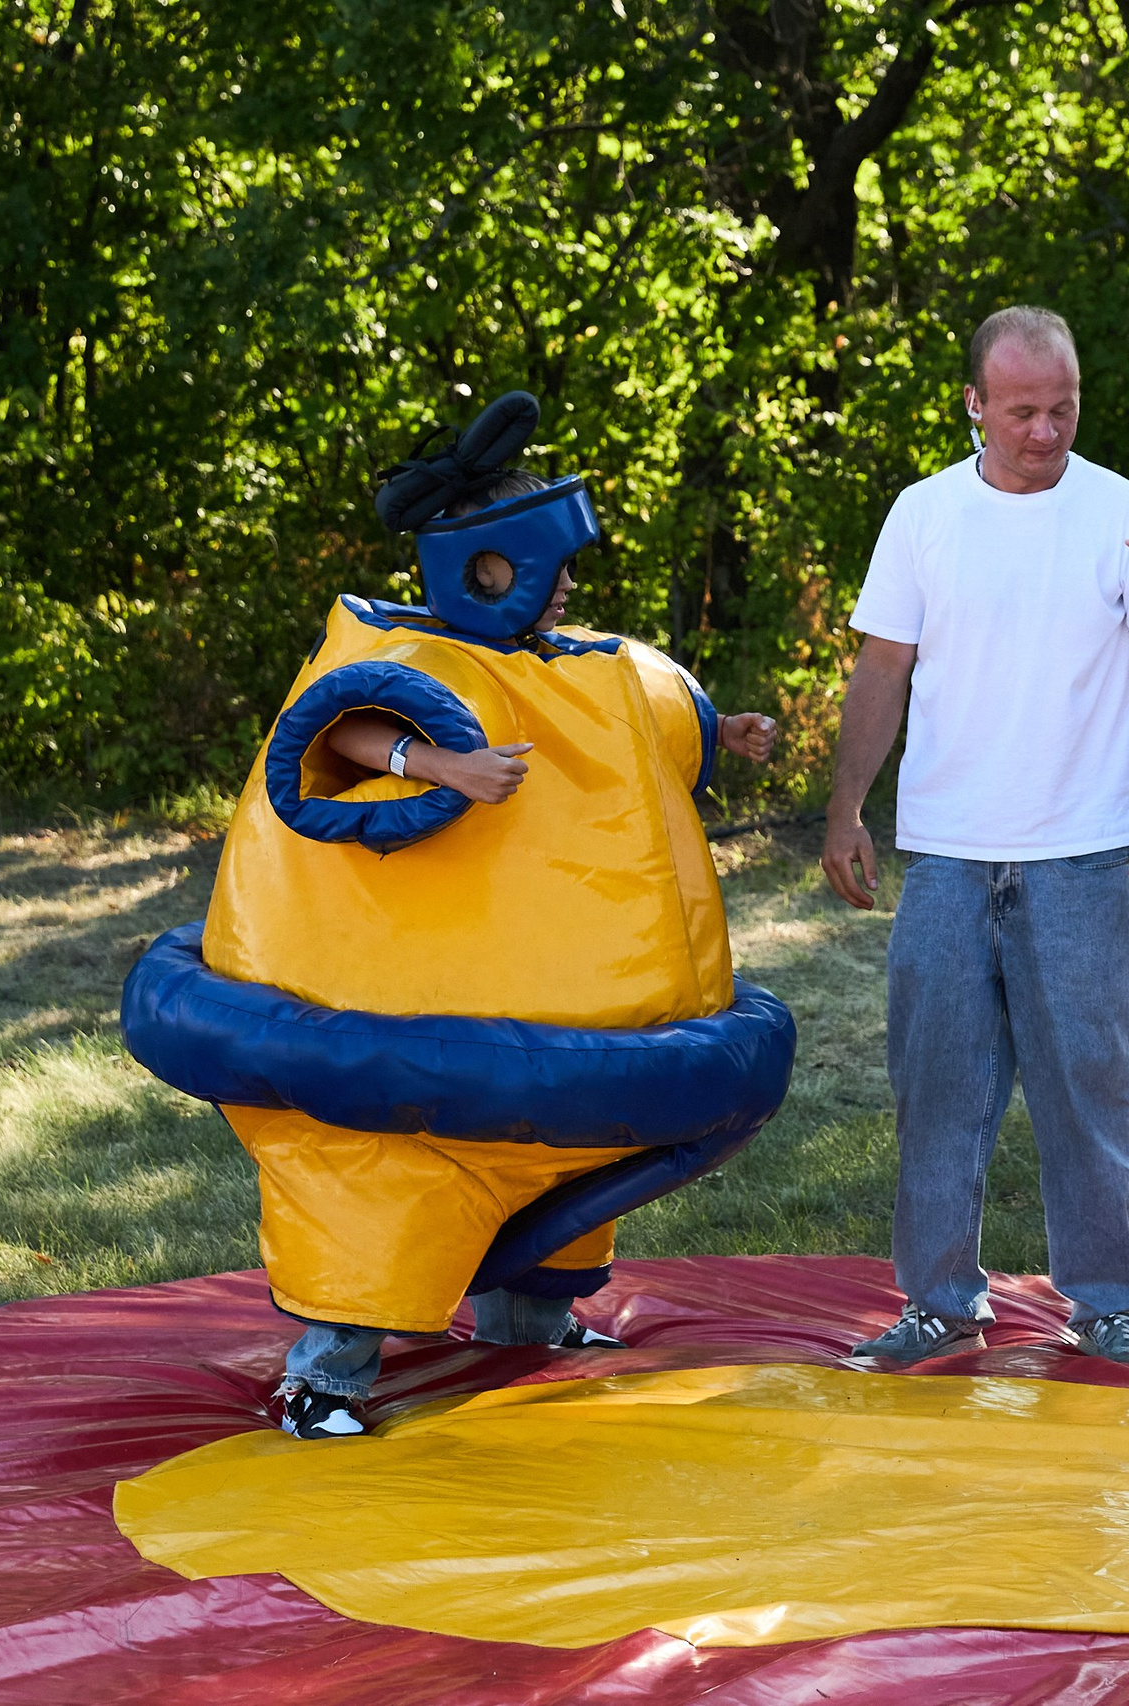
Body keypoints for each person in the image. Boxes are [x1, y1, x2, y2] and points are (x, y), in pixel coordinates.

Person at [121, 391, 799, 1441]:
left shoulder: (583, 668)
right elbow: (337, 738)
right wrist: (438, 763)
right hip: (389, 1038)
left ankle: (529, 1316)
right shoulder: (411, 662)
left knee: (555, 1173)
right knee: (384, 1183)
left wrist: (726, 727)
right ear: (486, 567)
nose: (569, 586)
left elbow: (663, 709)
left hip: (568, 1047)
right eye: (551, 567)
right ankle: (328, 1372)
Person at [821, 306, 1129, 1367]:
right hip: (946, 852)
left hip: (1090, 856)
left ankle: (1106, 1302)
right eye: (1023, 411)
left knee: (1093, 1088)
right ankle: (939, 1299)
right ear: (975, 405)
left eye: (1063, 407)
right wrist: (847, 805)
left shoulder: (1128, 514)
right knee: (938, 1089)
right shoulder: (922, 515)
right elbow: (882, 667)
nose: (1046, 430)